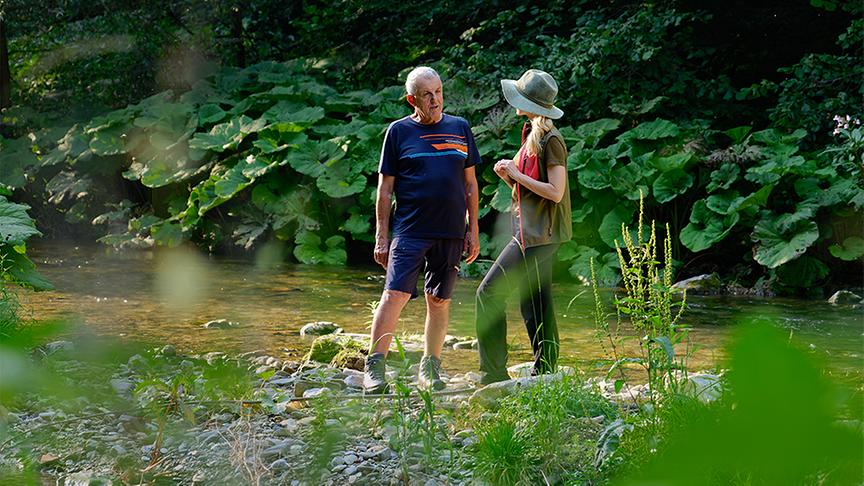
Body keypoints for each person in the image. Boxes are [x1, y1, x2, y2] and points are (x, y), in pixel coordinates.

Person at [364, 66, 481, 394]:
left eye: (439, 92)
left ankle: (430, 366)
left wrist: (474, 229)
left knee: (439, 300)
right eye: (427, 95)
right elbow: (385, 189)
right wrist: (381, 236)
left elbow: (470, 184)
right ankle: (374, 367)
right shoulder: (398, 132)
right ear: (411, 99)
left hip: (451, 231)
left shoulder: (460, 128)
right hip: (410, 230)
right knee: (394, 294)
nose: (435, 100)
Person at [475, 69, 572, 384]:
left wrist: (515, 175)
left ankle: (492, 374)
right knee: (534, 299)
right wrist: (509, 176)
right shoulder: (532, 132)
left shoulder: (551, 140)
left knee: (488, 293)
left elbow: (555, 193)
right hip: (532, 231)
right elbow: (532, 188)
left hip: (539, 234)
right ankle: (545, 372)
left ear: (531, 103)